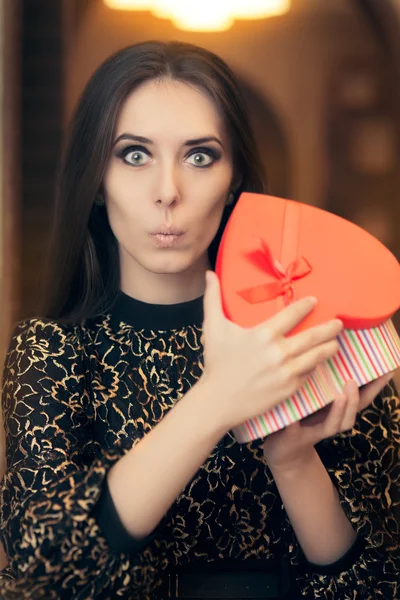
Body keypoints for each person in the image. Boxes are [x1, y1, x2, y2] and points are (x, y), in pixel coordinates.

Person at [0, 40, 398, 600]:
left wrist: (293, 460)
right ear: (95, 179)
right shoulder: (51, 352)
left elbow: (377, 585)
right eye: (134, 155)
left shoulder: (321, 333)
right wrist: (217, 399)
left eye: (200, 156)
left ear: (234, 177)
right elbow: (46, 571)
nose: (169, 193)